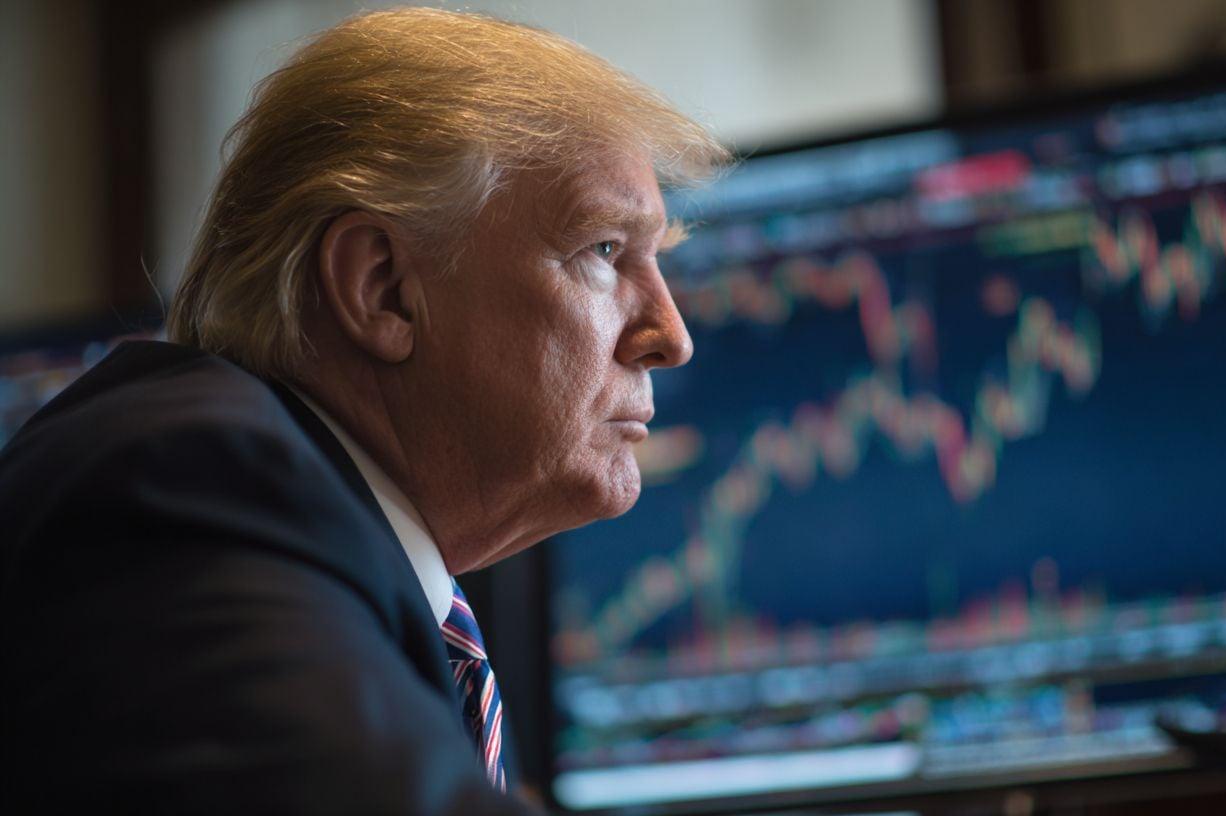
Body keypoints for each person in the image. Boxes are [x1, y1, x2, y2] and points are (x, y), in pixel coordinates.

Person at [0, 7, 726, 814]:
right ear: (382, 288)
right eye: (603, 251)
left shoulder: (375, 574)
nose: (672, 336)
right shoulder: (185, 484)